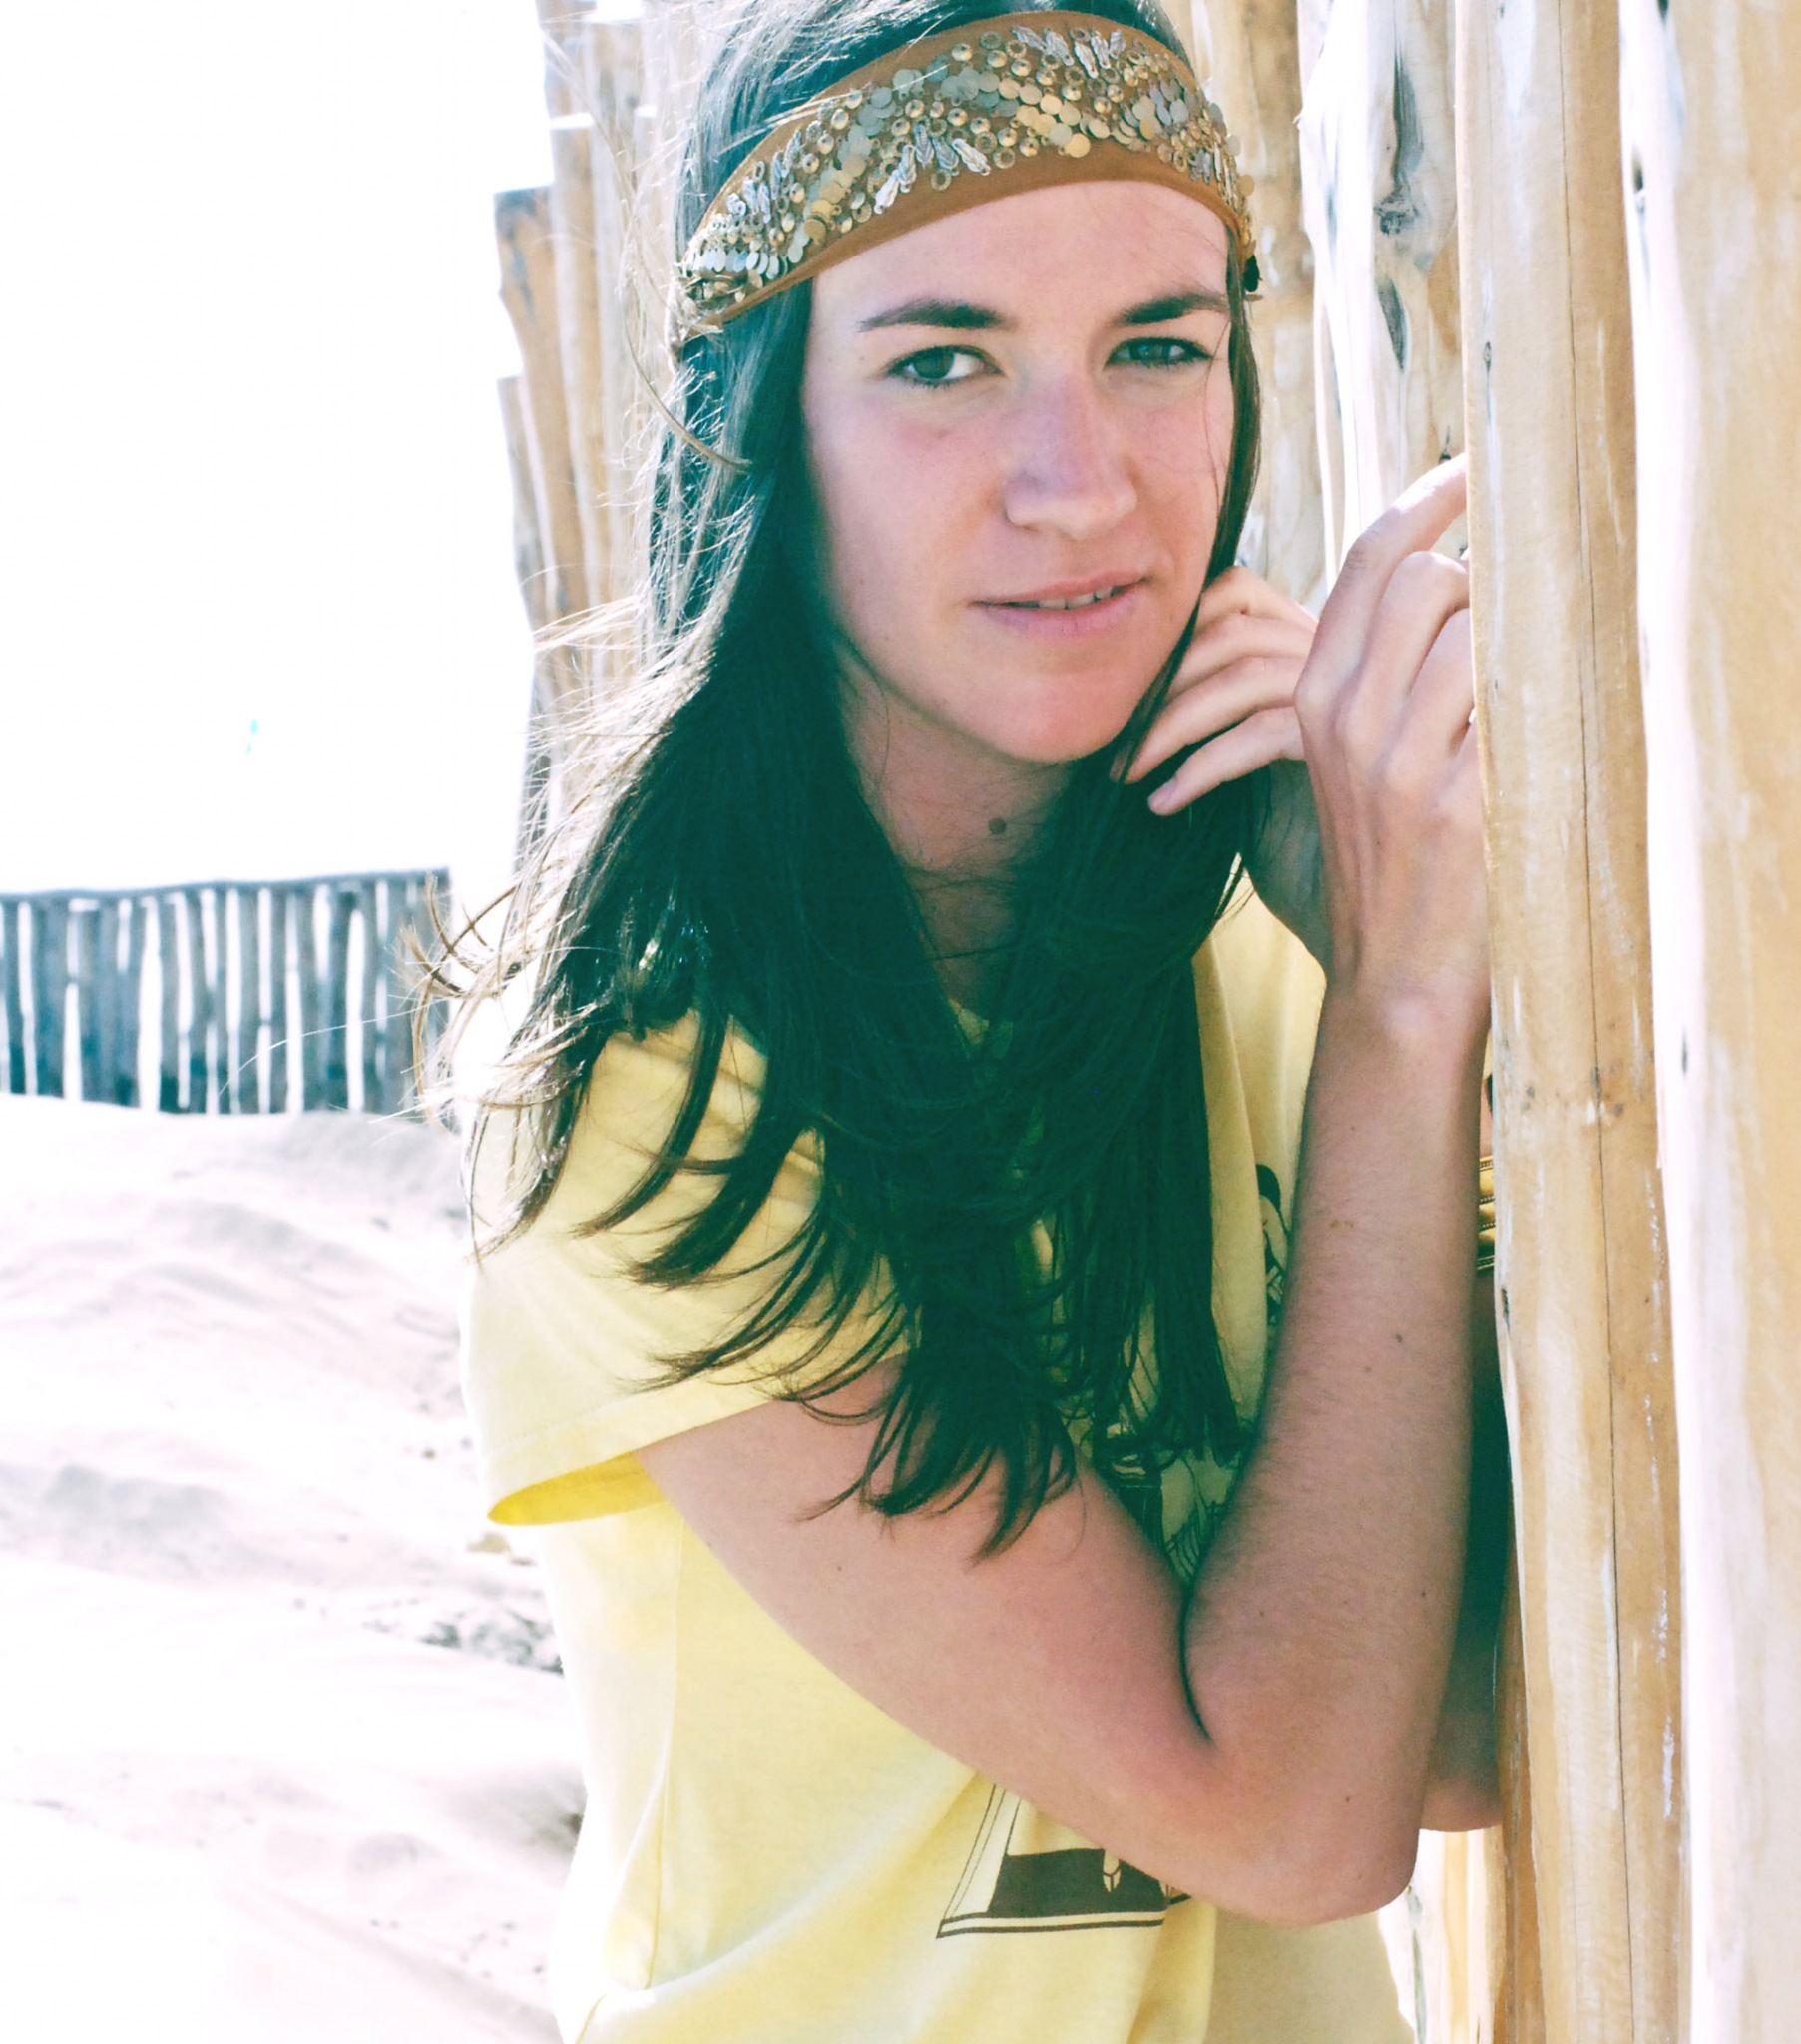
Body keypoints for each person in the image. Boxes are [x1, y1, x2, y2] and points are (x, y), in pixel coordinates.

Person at [455, 4, 1508, 2039]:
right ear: (764, 426)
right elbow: (1287, 1813)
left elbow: (1446, 1725)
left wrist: (1393, 1003)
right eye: (943, 362)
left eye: (1157, 346)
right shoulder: (652, 1088)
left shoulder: (1277, 938)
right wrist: (1399, 1015)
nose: (1079, 484)